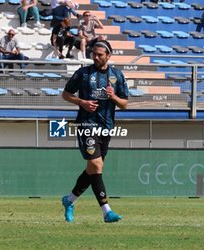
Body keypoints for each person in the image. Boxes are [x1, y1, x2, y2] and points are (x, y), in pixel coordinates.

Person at [61, 40, 129, 223]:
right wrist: (82, 102)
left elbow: (124, 104)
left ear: (109, 55)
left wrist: (113, 96)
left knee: (92, 169)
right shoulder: (83, 73)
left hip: (106, 127)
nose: (96, 57)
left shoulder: (117, 75)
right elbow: (65, 94)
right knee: (97, 165)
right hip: (86, 125)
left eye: (100, 54)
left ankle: (69, 200)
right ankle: (107, 211)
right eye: (94, 54)